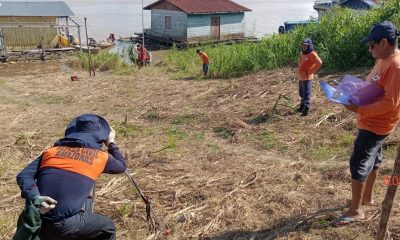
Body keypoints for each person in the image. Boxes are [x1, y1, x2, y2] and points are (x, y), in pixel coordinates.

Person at [331, 21, 400, 227]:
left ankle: (355, 211)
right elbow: (377, 85)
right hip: (371, 120)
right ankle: (367, 198)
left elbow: (390, 103)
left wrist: (359, 109)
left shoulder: (395, 66)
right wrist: (355, 89)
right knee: (374, 159)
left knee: (358, 162)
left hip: (376, 124)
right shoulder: (383, 59)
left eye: (372, 45)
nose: (370, 49)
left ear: (385, 42)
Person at [15, 114, 127, 239]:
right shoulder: (101, 157)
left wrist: (35, 196)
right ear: (101, 137)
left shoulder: (51, 151)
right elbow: (121, 167)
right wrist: (111, 143)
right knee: (108, 227)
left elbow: (23, 175)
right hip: (60, 225)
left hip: (33, 217)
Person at [297, 38, 322, 116]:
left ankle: (306, 109)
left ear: (309, 46)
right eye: (303, 45)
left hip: (307, 77)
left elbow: (319, 63)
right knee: (301, 93)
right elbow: (300, 63)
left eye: (306, 45)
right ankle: (302, 106)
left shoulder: (312, 54)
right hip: (301, 76)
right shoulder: (302, 53)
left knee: (306, 93)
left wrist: (310, 71)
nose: (304, 47)